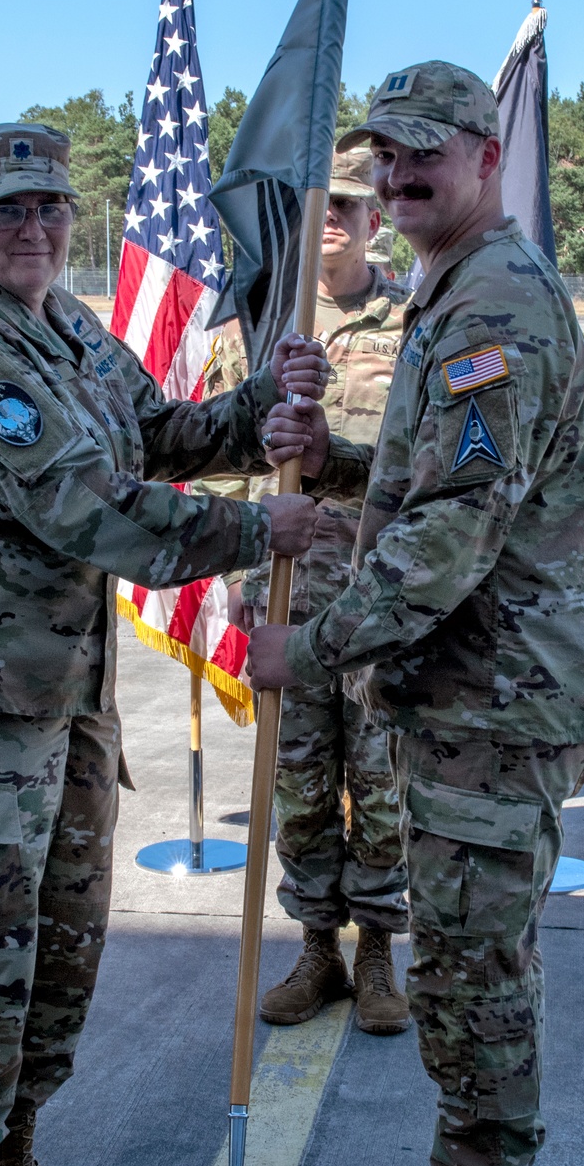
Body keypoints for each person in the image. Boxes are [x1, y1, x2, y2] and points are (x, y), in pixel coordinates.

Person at [0, 122, 324, 1166]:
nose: (32, 228)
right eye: (6, 211)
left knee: (59, 945)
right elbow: (82, 505)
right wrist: (246, 531)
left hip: (56, 699)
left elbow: (159, 433)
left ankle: (9, 1164)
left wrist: (267, 401)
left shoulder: (65, 330)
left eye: (50, 207)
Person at [248, 63, 584, 1166]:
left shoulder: (490, 308)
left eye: (425, 157)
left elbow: (452, 531)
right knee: (466, 961)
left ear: (483, 157)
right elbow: (430, 485)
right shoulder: (454, 288)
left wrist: (321, 643)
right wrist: (338, 456)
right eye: (386, 158)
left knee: (473, 973)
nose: (399, 179)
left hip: (495, 700)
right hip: (476, 690)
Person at [202, 151, 412, 1036]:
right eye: (324, 204)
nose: (337, 219)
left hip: (381, 595)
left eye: (355, 205)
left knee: (382, 776)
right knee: (297, 776)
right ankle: (318, 945)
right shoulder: (260, 322)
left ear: (376, 221)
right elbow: (223, 463)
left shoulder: (415, 321)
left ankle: (376, 952)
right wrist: (242, 578)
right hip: (288, 590)